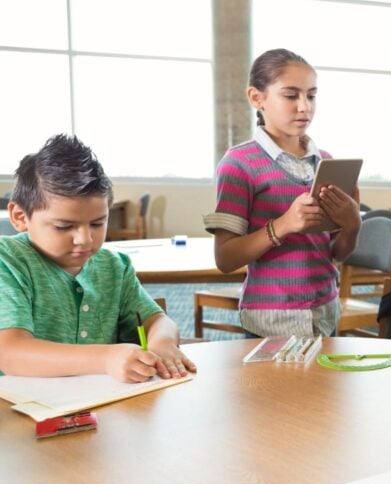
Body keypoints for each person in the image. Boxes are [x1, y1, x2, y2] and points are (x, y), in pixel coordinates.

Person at [0, 135, 196, 383]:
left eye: (97, 223)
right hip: (19, 402)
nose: (85, 239)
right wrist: (105, 358)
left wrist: (162, 342)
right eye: (64, 226)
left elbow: (158, 320)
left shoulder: (114, 266)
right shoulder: (8, 261)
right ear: (20, 216)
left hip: (98, 400)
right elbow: (10, 353)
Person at [204, 48, 360, 338]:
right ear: (257, 98)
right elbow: (225, 258)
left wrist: (352, 224)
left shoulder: (326, 162)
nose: (304, 107)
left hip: (325, 311)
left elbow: (337, 252)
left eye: (311, 96)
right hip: (270, 318)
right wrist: (284, 225)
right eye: (291, 96)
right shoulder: (239, 164)